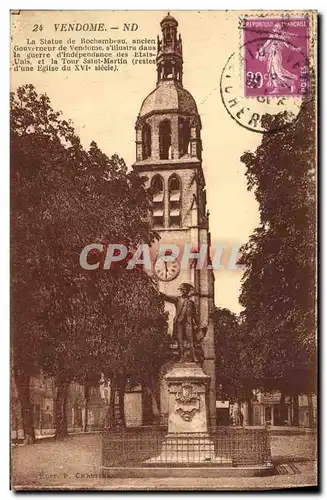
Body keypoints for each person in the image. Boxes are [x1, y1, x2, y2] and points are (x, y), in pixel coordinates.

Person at [160, 283, 206, 362]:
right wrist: (160, 294)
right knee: (180, 340)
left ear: (185, 291)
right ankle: (182, 356)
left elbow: (194, 315)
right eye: (181, 290)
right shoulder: (178, 299)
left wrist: (198, 325)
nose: (181, 291)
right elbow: (167, 298)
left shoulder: (191, 303)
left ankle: (194, 356)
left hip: (188, 323)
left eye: (182, 290)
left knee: (191, 339)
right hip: (179, 323)